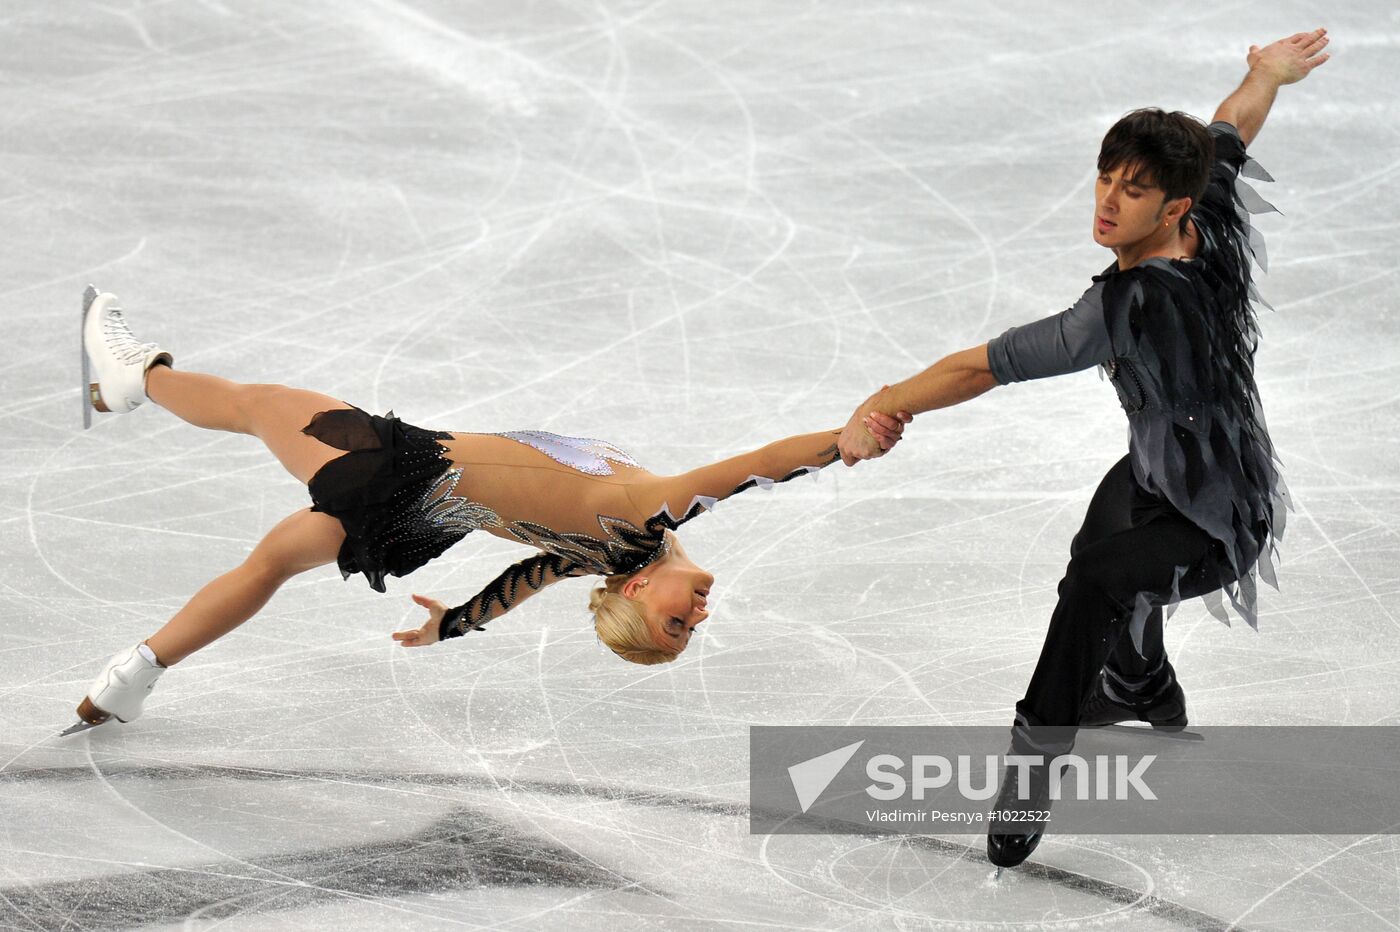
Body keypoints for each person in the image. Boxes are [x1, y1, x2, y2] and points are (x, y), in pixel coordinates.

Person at [840, 29, 1330, 867]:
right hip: (1158, 471)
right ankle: (1140, 683)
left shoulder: (1126, 307)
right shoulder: (1202, 211)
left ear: (1171, 208)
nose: (1108, 200)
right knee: (1100, 546)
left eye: (1133, 191)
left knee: (1095, 582)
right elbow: (1230, 129)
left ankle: (1032, 772)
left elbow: (984, 367)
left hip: (1220, 517)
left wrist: (888, 403)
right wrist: (1262, 74)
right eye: (1106, 176)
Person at [67, 289, 911, 733]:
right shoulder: (601, 556)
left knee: (257, 406)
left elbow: (756, 471)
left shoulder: (642, 520)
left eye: (674, 626)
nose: (696, 614)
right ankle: (130, 678)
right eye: (690, 627)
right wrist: (456, 625)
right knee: (270, 566)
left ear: (632, 595)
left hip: (398, 469)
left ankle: (134, 374)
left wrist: (838, 443)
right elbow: (526, 578)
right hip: (414, 522)